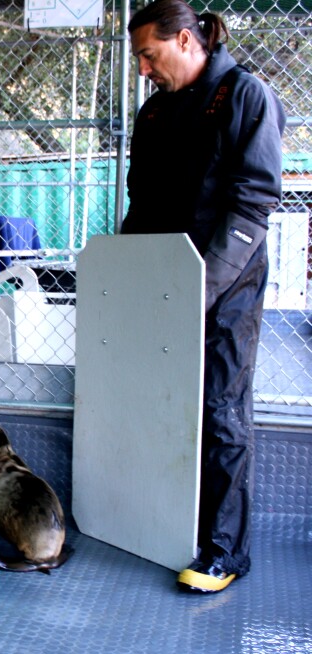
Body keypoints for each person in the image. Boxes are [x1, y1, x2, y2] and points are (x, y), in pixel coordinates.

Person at [122, 0, 286, 594]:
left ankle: (225, 551)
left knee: (220, 407)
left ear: (187, 40)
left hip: (228, 282)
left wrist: (203, 287)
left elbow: (254, 201)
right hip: (165, 281)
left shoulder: (245, 96)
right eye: (139, 59)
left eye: (149, 55)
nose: (143, 69)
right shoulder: (155, 111)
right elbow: (142, 201)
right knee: (161, 402)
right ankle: (170, 525)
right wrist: (130, 279)